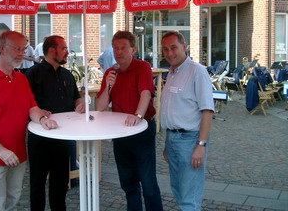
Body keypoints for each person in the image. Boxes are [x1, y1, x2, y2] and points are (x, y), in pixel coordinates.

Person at [0, 31, 54, 211]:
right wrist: (0, 150)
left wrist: (42, 119)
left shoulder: (21, 79)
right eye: (16, 48)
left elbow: (32, 108)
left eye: (23, 49)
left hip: (18, 155)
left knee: (12, 201)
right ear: (1, 49)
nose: (21, 53)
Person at [96, 31, 163, 211]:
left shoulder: (143, 67)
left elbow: (146, 94)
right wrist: (108, 86)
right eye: (115, 48)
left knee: (148, 183)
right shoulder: (110, 72)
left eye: (123, 48)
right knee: (128, 182)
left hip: (142, 129)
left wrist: (138, 116)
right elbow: (100, 106)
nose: (118, 52)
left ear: (133, 49)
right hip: (120, 133)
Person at [25, 35, 85, 211]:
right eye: (64, 48)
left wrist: (80, 105)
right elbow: (26, 104)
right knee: (37, 185)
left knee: (60, 186)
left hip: (63, 139)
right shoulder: (33, 74)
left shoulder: (68, 74)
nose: (67, 52)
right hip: (40, 139)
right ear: (52, 51)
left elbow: (76, 98)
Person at [160, 31, 214, 211]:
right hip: (173, 139)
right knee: (178, 190)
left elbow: (207, 111)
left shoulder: (196, 71)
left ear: (184, 47)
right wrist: (168, 144)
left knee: (188, 197)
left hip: (190, 141)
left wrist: (201, 145)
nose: (169, 53)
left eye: (173, 48)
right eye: (165, 49)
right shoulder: (173, 72)